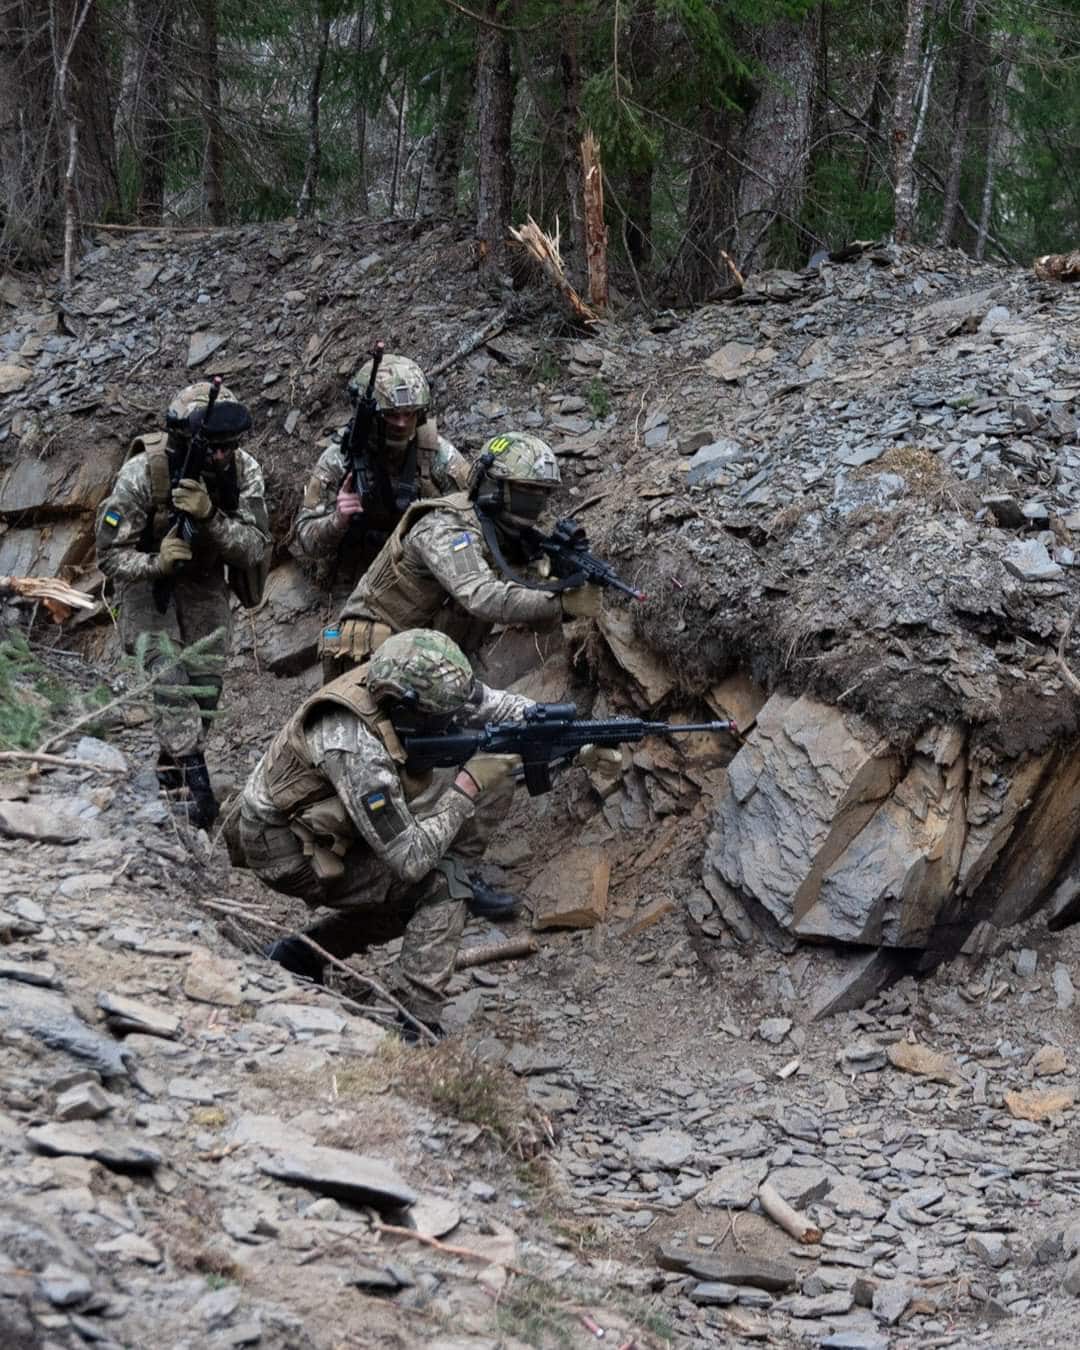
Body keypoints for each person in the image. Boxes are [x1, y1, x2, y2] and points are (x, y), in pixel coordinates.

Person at [237, 628, 619, 1035]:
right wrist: (468, 785)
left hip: (330, 823)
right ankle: (415, 1027)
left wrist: (572, 745)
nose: (453, 719)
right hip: (287, 849)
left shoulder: (409, 675)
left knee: (443, 853)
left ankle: (301, 954)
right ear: (409, 708)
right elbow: (411, 861)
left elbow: (494, 707)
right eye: (442, 716)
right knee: (441, 885)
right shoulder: (354, 746)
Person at [95, 382, 269, 828]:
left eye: (228, 447)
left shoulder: (244, 471)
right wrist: (156, 562)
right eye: (212, 448)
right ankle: (198, 792)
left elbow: (253, 548)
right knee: (170, 676)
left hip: (204, 578)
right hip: (145, 580)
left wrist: (210, 516)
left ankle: (172, 767)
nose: (221, 457)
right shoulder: (142, 474)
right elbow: (109, 556)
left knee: (205, 688)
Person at [324, 431, 600, 677]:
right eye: (527, 489)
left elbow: (536, 620)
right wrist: (561, 602)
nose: (536, 501)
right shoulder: (446, 526)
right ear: (493, 485)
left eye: (543, 493)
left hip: (431, 659)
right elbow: (482, 596)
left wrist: (560, 584)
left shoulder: (508, 533)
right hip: (372, 654)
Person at [290, 353, 468, 623]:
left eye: (409, 414)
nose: (401, 423)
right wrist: (337, 521)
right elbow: (306, 541)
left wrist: (461, 570)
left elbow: (472, 516)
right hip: (357, 576)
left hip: (420, 571)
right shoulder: (340, 459)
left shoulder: (437, 454)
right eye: (391, 415)